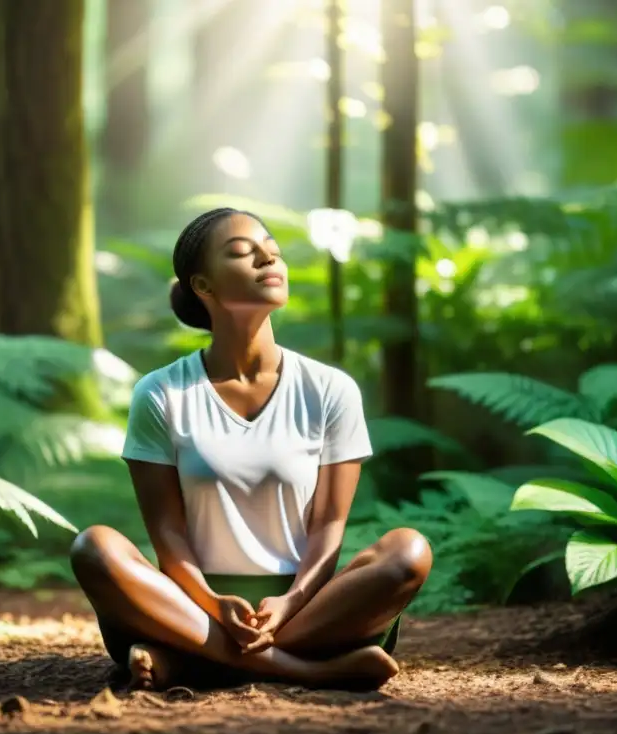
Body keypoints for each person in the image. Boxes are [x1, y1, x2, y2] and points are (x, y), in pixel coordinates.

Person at [70, 207, 432, 691]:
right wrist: (211, 602)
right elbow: (168, 536)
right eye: (243, 252)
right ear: (204, 287)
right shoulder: (161, 393)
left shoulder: (330, 390)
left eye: (272, 250)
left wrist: (290, 603)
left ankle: (192, 662)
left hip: (307, 610)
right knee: (94, 547)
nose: (268, 258)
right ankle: (302, 670)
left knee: (408, 552)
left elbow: (328, 527)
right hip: (189, 604)